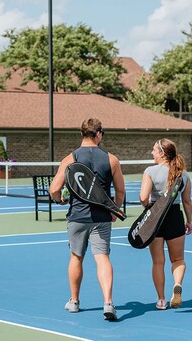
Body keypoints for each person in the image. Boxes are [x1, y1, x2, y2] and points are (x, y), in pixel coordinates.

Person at [49, 118, 126, 321]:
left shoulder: (70, 158)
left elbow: (54, 189)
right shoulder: (112, 159)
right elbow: (121, 190)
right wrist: (115, 209)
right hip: (102, 217)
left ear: (82, 134)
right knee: (102, 258)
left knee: (76, 257)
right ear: (98, 134)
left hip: (77, 217)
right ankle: (108, 302)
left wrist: (60, 201)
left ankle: (74, 301)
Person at [138, 138, 192, 310]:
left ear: (162, 153)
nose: (152, 153)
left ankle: (161, 300)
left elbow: (143, 198)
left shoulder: (150, 171)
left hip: (156, 217)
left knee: (158, 262)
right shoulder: (183, 174)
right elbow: (187, 201)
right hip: (175, 216)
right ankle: (177, 284)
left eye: (154, 150)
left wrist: (149, 209)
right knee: (178, 259)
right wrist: (189, 221)